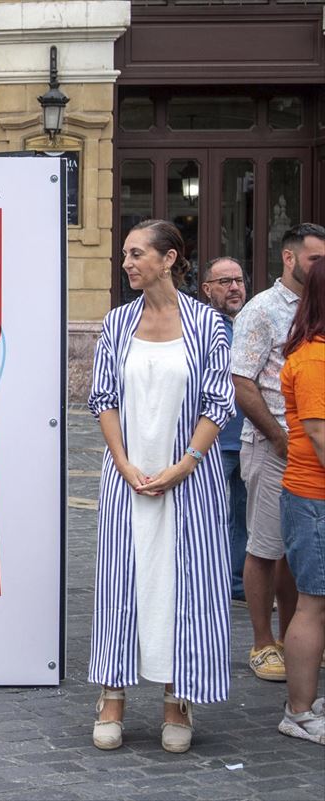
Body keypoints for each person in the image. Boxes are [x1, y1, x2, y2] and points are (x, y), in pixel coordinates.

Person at [87, 219, 233, 754]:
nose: (127, 262)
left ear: (170, 259)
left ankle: (177, 698)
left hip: (188, 480)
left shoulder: (207, 325)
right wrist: (123, 464)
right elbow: (102, 398)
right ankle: (112, 698)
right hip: (127, 476)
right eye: (125, 254)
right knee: (123, 582)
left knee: (184, 584)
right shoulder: (118, 322)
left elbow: (219, 402)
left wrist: (184, 464)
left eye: (137, 253)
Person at [232, 223, 325, 681]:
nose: (322, 266)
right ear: (289, 259)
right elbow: (241, 382)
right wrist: (278, 437)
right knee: (265, 547)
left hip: (311, 451)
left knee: (298, 550)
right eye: (315, 258)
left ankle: (295, 636)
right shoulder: (262, 310)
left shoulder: (317, 306)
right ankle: (263, 642)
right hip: (274, 445)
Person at [277, 256, 325, 745]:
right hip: (314, 499)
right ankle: (300, 712)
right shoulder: (313, 359)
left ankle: (307, 700)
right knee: (312, 604)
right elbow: (317, 433)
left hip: (315, 498)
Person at [201, 257, 249, 601]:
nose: (234, 287)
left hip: (251, 438)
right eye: (224, 282)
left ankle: (237, 583)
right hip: (213, 440)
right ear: (207, 289)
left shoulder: (252, 322)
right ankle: (205, 582)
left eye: (238, 280)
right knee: (208, 517)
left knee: (245, 518)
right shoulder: (201, 326)